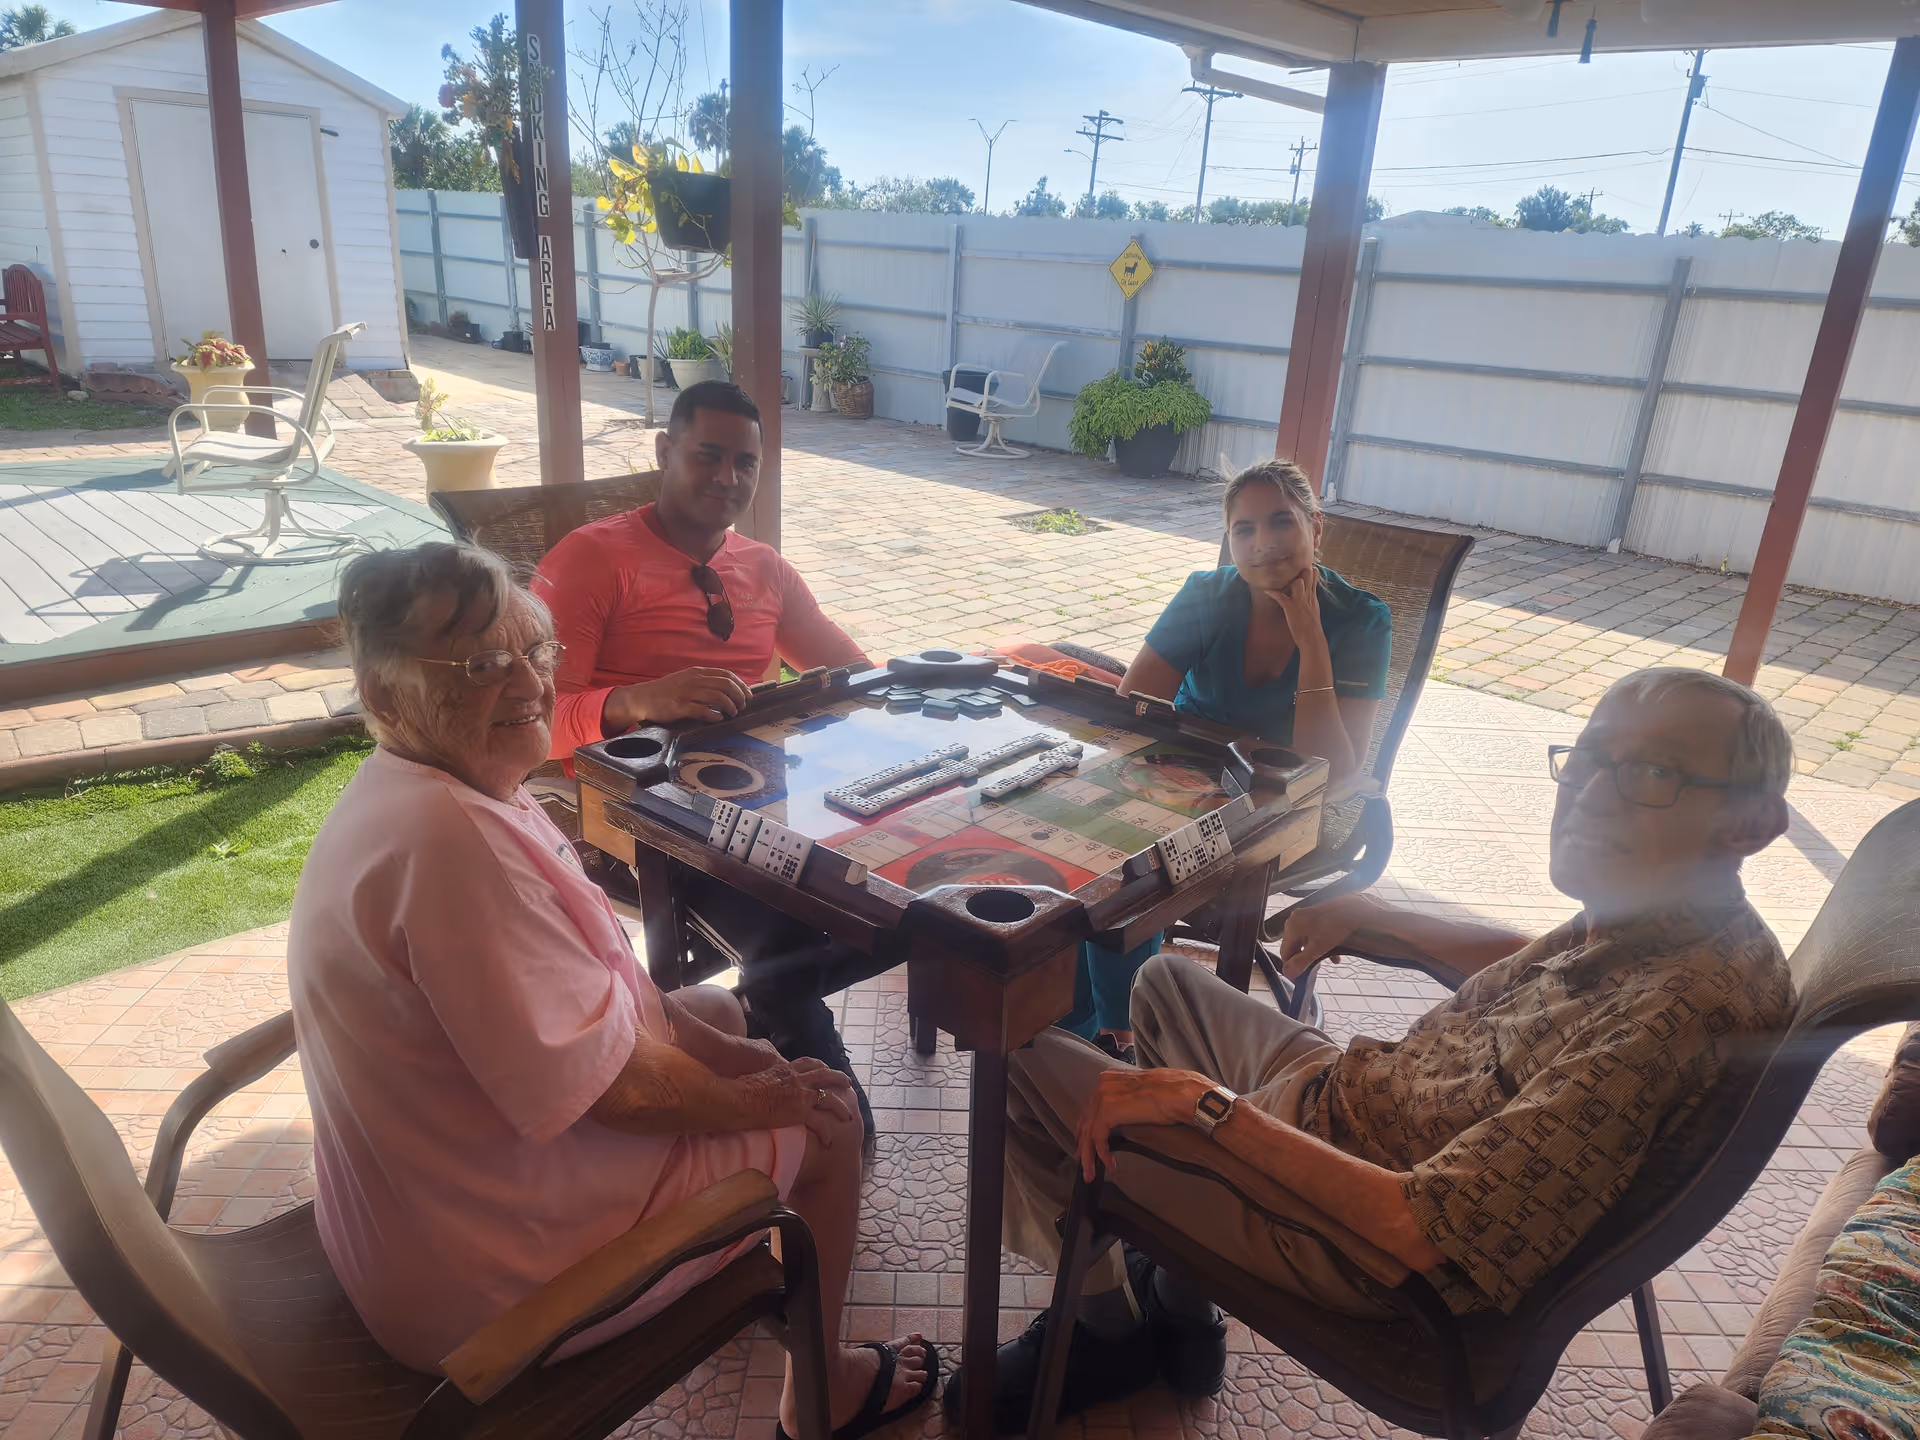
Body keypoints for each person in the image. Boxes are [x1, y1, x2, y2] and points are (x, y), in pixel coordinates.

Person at [951, 667, 1795, 1430]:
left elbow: (1416, 1228)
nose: (1593, 795)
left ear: (1751, 823)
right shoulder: (1674, 919)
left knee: (1016, 1046)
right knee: (1163, 985)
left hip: (1343, 1229)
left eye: (1653, 773)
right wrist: (1383, 917)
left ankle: (1105, 1337)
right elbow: (1550, 964)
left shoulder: (1674, 1018)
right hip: (1349, 1102)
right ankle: (1180, 1311)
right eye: (1588, 758)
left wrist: (1206, 1109)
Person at [290, 543, 934, 1439]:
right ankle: (821, 1395)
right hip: (486, 1285)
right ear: (386, 696)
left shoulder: (435, 788)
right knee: (828, 1124)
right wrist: (769, 1093)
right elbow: (622, 1092)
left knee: (711, 1011)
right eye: (480, 662)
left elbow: (629, 998)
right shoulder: (451, 846)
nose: (526, 682)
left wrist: (742, 1061)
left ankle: (788, 1297)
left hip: (416, 1211)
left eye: (534, 650)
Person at [533, 380, 876, 1133]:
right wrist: (636, 700)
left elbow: (849, 671)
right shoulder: (591, 561)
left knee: (891, 889)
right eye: (708, 456)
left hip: (758, 794)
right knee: (784, 933)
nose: (728, 479)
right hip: (636, 808)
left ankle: (754, 1004)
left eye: (745, 464)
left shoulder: (765, 569)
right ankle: (819, 1086)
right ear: (665, 451)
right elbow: (533, 723)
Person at [1061, 459, 1392, 1061]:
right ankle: (1086, 1023)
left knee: (1143, 862)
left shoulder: (1361, 621)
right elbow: (1134, 709)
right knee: (1098, 837)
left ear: (1316, 529)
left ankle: (1117, 1033)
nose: (1262, 545)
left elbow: (1331, 769)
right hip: (1183, 780)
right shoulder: (1207, 596)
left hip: (1288, 804)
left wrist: (1311, 640)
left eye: (1280, 523)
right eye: (1244, 530)